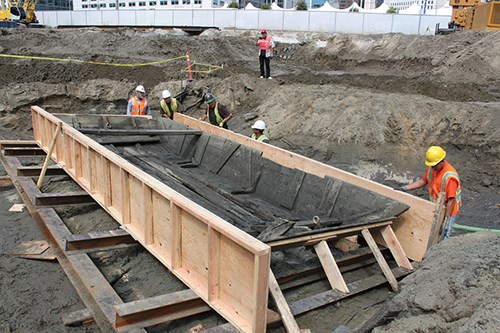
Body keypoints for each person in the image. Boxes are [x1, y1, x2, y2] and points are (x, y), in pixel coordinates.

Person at [399, 146, 462, 240]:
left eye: (434, 165)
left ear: (442, 161)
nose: (433, 167)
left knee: (443, 235)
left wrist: (445, 221)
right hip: (436, 207)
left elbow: (451, 201)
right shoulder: (433, 168)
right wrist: (405, 188)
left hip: (448, 210)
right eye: (432, 165)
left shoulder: (450, 177)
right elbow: (423, 181)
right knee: (433, 232)